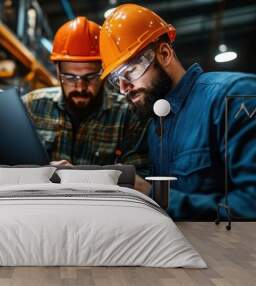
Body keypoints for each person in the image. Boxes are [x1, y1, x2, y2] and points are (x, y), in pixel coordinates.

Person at [99, 3, 256, 219]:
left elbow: (251, 205)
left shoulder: (233, 98)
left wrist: (154, 197)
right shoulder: (158, 124)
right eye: (116, 80)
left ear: (164, 53)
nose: (124, 88)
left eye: (130, 71)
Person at [22, 16, 151, 188]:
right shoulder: (31, 106)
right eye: (70, 77)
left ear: (105, 71)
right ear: (58, 70)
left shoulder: (129, 115)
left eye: (90, 77)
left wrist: (78, 177)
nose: (80, 87)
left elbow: (137, 181)